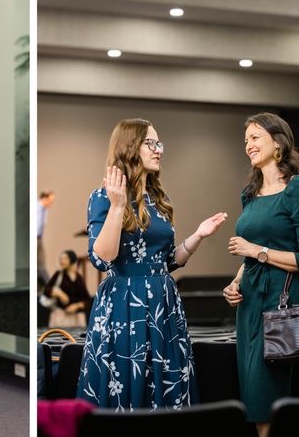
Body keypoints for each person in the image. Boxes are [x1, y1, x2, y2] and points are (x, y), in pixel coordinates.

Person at [77, 118, 228, 411]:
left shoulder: (159, 199)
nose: (159, 150)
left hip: (163, 303)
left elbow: (170, 260)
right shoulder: (102, 197)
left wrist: (198, 235)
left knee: (166, 383)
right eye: (151, 143)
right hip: (124, 303)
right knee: (123, 381)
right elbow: (101, 258)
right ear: (130, 147)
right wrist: (118, 206)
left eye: (159, 143)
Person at [221, 112, 299, 437]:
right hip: (249, 304)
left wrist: (257, 251)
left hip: (281, 305)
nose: (247, 144)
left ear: (278, 143)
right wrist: (236, 282)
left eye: (255, 137)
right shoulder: (249, 194)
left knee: (268, 398)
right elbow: (247, 255)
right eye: (246, 138)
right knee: (252, 397)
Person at [43, 250, 92, 328]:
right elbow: (46, 290)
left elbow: (87, 299)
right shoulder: (59, 274)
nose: (61, 261)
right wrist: (59, 293)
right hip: (61, 317)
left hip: (77, 319)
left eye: (65, 258)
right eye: (61, 258)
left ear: (72, 260)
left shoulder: (79, 278)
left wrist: (77, 305)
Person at [37, 189, 56, 281]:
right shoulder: (36, 207)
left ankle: (48, 284)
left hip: (39, 238)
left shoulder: (45, 210)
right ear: (45, 198)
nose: (51, 203)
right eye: (50, 201)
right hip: (35, 238)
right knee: (40, 265)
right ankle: (49, 284)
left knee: (41, 263)